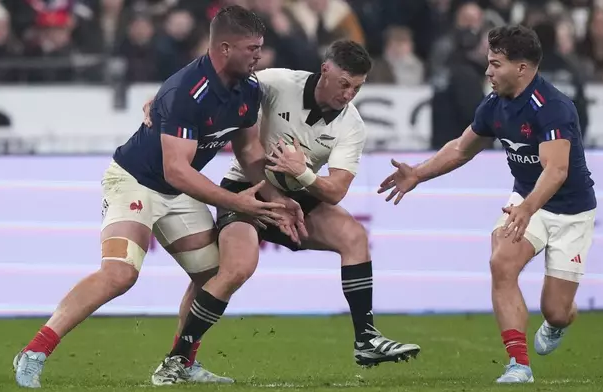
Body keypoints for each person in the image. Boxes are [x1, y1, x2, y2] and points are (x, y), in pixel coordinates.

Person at [13, 5, 305, 389]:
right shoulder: (187, 91)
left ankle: (179, 363)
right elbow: (177, 170)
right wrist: (237, 203)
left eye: (260, 47)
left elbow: (249, 153)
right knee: (120, 274)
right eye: (252, 48)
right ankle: (35, 351)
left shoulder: (247, 90)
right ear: (225, 48)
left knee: (213, 276)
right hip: (135, 182)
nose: (259, 55)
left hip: (177, 189)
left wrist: (275, 195)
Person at [146, 40, 420, 385]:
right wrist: (167, 101)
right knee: (237, 268)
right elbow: (220, 81)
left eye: (357, 88)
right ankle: (178, 360)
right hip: (247, 190)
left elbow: (335, 191)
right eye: (344, 84)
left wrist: (302, 172)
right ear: (325, 71)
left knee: (354, 237)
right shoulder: (278, 82)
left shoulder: (352, 125)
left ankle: (366, 340)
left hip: (299, 198)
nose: (349, 94)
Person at [378, 25, 596, 384]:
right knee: (502, 262)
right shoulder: (494, 106)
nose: (488, 72)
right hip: (526, 200)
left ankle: (559, 323)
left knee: (556, 311)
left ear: (522, 68)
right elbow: (461, 148)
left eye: (495, 64)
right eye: (488, 63)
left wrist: (527, 208)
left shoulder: (553, 107)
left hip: (570, 211)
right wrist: (417, 173)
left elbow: (556, 171)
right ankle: (518, 364)